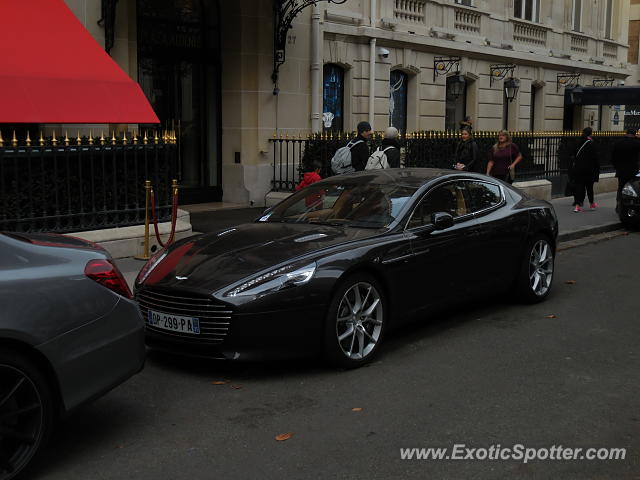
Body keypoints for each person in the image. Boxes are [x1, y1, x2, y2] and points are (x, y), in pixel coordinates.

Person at [570, 127, 600, 212]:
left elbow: (574, 154)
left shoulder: (578, 142)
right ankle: (592, 204)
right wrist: (597, 169)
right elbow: (595, 158)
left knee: (579, 187)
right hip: (589, 170)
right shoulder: (591, 144)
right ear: (591, 134)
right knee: (589, 188)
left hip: (578, 169)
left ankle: (578, 206)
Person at [611, 128, 640, 212]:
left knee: (620, 187)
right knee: (632, 189)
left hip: (621, 170)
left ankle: (618, 205)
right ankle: (629, 207)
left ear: (626, 133)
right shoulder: (636, 143)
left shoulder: (618, 143)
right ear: (634, 134)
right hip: (632, 171)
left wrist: (616, 167)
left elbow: (613, 157)